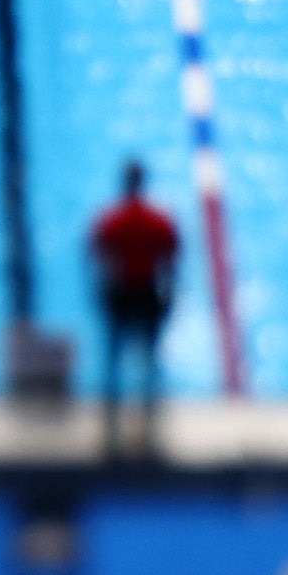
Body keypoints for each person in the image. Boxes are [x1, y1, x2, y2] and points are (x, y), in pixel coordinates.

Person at [87, 159, 182, 458]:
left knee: (114, 361)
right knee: (149, 362)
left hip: (121, 293)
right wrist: (169, 295)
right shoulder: (158, 220)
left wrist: (102, 293)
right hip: (147, 292)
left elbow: (101, 261)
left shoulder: (112, 220)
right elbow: (170, 263)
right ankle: (149, 428)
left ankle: (112, 430)